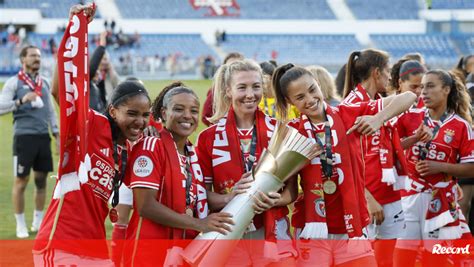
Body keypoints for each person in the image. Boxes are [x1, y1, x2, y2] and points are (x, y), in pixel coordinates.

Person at [33, 4, 152, 266]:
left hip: (94, 247)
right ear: (112, 110)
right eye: (132, 113)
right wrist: (74, 30)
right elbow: (58, 91)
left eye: (145, 115)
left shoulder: (131, 150)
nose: (139, 121)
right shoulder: (92, 124)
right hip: (61, 242)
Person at [272, 64, 416, 267]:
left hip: (352, 229)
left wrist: (377, 119)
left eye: (313, 90)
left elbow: (408, 97)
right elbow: (287, 189)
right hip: (312, 230)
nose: (310, 100)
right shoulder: (291, 133)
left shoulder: (348, 114)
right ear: (290, 101)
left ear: (319, 86)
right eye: (300, 97)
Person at [196, 59, 297, 265]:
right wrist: (229, 198)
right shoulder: (208, 137)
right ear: (228, 91)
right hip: (229, 229)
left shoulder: (280, 131)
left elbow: (291, 192)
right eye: (242, 87)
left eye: (256, 87)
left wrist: (273, 201)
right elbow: (201, 194)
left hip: (273, 227)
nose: (250, 94)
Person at [124, 82, 233, 266]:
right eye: (179, 109)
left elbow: (193, 196)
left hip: (184, 251)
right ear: (164, 113)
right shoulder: (151, 146)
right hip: (150, 253)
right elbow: (145, 205)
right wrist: (199, 224)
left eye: (194, 110)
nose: (187, 116)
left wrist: (230, 198)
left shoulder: (192, 153)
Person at [394, 70, 474, 266]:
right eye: (422, 87)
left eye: (430, 86)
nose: (424, 92)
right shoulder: (409, 117)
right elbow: (387, 149)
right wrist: (413, 139)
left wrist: (439, 166)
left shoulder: (461, 125)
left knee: (435, 261)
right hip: (409, 198)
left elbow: (471, 168)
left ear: (446, 89)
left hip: (441, 200)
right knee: (402, 259)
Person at [342, 49, 407, 267]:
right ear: (377, 73)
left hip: (389, 193)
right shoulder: (350, 105)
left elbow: (410, 98)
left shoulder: (380, 102)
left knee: (387, 259)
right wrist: (367, 197)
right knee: (364, 260)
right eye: (388, 71)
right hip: (366, 199)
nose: (391, 77)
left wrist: (379, 119)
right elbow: (345, 160)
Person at [0, 45, 59, 238]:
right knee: (21, 180)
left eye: (39, 56)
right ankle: (20, 225)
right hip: (23, 138)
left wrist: (56, 134)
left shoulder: (45, 83)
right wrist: (21, 101)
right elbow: (1, 108)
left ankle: (38, 221)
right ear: (22, 60)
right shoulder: (13, 83)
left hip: (43, 137)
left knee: (41, 180)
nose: (37, 59)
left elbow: (50, 111)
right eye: (33, 56)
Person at [201, 52, 244, 126]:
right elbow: (206, 116)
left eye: (238, 66)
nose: (234, 69)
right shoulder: (216, 90)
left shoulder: (250, 90)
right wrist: (219, 129)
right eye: (230, 66)